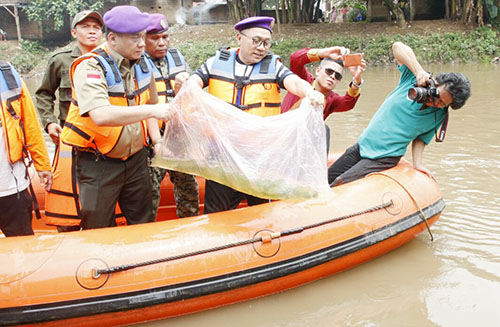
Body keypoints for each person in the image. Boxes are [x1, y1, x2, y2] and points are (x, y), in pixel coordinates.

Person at [188, 16, 325, 214]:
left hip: (259, 154)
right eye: (256, 41)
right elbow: (194, 83)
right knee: (216, 210)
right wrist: (187, 84)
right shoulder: (215, 63)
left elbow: (294, 83)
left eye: (266, 43)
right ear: (239, 38)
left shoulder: (273, 66)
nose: (261, 48)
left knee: (261, 210)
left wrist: (310, 92)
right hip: (221, 152)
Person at [60, 5, 173, 230]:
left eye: (143, 37)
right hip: (99, 162)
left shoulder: (143, 63)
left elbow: (149, 104)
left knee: (143, 220)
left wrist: (158, 141)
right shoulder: (90, 66)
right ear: (112, 38)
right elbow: (101, 115)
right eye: (135, 38)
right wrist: (153, 111)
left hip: (136, 160)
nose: (142, 44)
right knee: (98, 225)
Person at [328, 41, 471, 187]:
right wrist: (419, 71)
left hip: (383, 158)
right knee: (325, 179)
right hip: (363, 145)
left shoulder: (439, 115)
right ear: (436, 83)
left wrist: (418, 164)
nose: (436, 103)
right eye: (438, 96)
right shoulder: (412, 79)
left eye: (443, 104)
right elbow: (397, 47)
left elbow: (421, 138)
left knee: (339, 185)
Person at [144, 13, 199, 219]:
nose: (161, 43)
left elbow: (190, 98)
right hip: (151, 139)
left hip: (178, 135)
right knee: (149, 192)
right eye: (155, 38)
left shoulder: (177, 57)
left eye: (165, 38)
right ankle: (148, 233)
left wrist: (182, 87)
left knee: (188, 189)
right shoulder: (136, 63)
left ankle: (189, 225)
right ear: (143, 39)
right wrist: (156, 140)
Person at [36, 10, 104, 145]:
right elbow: (44, 94)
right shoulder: (60, 60)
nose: (92, 31)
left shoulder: (111, 60)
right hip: (71, 134)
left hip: (105, 135)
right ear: (74, 33)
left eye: (96, 27)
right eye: (85, 27)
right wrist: (49, 122)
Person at [0, 61, 52, 237]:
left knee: (22, 242)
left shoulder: (10, 78)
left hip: (12, 186)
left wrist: (43, 165)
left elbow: (30, 125)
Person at [281, 46, 366, 152]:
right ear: (318, 71)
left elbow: (347, 103)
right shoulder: (302, 79)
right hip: (283, 134)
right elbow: (295, 58)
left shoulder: (332, 99)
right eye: (329, 71)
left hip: (305, 144)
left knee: (324, 129)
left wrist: (356, 80)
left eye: (337, 76)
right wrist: (323, 53)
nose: (332, 77)